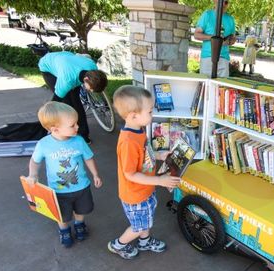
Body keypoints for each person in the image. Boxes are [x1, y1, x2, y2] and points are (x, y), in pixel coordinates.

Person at [108, 85, 181, 259]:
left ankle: (144, 241)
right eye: (149, 111)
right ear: (133, 115)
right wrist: (160, 181)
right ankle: (118, 245)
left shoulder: (138, 131)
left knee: (145, 220)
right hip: (135, 195)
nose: (152, 114)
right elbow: (130, 174)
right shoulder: (128, 142)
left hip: (145, 190)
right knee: (138, 226)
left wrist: (159, 154)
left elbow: (145, 155)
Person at [25, 101, 102, 248]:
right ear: (55, 129)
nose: (77, 127)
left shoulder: (79, 141)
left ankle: (79, 224)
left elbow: (88, 157)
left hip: (81, 187)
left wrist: (95, 174)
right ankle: (64, 230)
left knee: (82, 209)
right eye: (72, 125)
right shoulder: (44, 144)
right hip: (58, 190)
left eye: (77, 123)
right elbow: (35, 161)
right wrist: (33, 174)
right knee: (61, 214)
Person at [39, 51, 108, 144]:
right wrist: (47, 120)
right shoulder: (66, 81)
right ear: (86, 79)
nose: (91, 91)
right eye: (91, 89)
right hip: (48, 66)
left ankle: (84, 135)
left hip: (66, 59)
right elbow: (54, 102)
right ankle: (66, 131)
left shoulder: (93, 68)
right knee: (67, 103)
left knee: (76, 101)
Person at [194, 0, 236, 77]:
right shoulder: (207, 15)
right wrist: (213, 38)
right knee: (206, 86)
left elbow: (233, 38)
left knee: (222, 88)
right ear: (215, 1)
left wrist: (229, 41)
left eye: (226, 2)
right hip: (208, 57)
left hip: (224, 58)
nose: (223, 4)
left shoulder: (230, 19)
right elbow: (196, 34)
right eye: (221, 1)